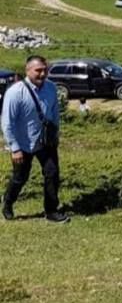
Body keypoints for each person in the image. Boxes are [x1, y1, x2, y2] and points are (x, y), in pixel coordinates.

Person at [1, 55, 69, 223]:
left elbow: (54, 114)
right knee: (20, 178)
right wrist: (14, 148)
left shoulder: (51, 88)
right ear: (28, 70)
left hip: (45, 142)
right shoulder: (15, 92)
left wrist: (55, 134)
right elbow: (7, 122)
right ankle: (8, 203)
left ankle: (51, 210)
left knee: (52, 174)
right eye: (38, 70)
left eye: (45, 70)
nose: (42, 74)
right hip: (22, 144)